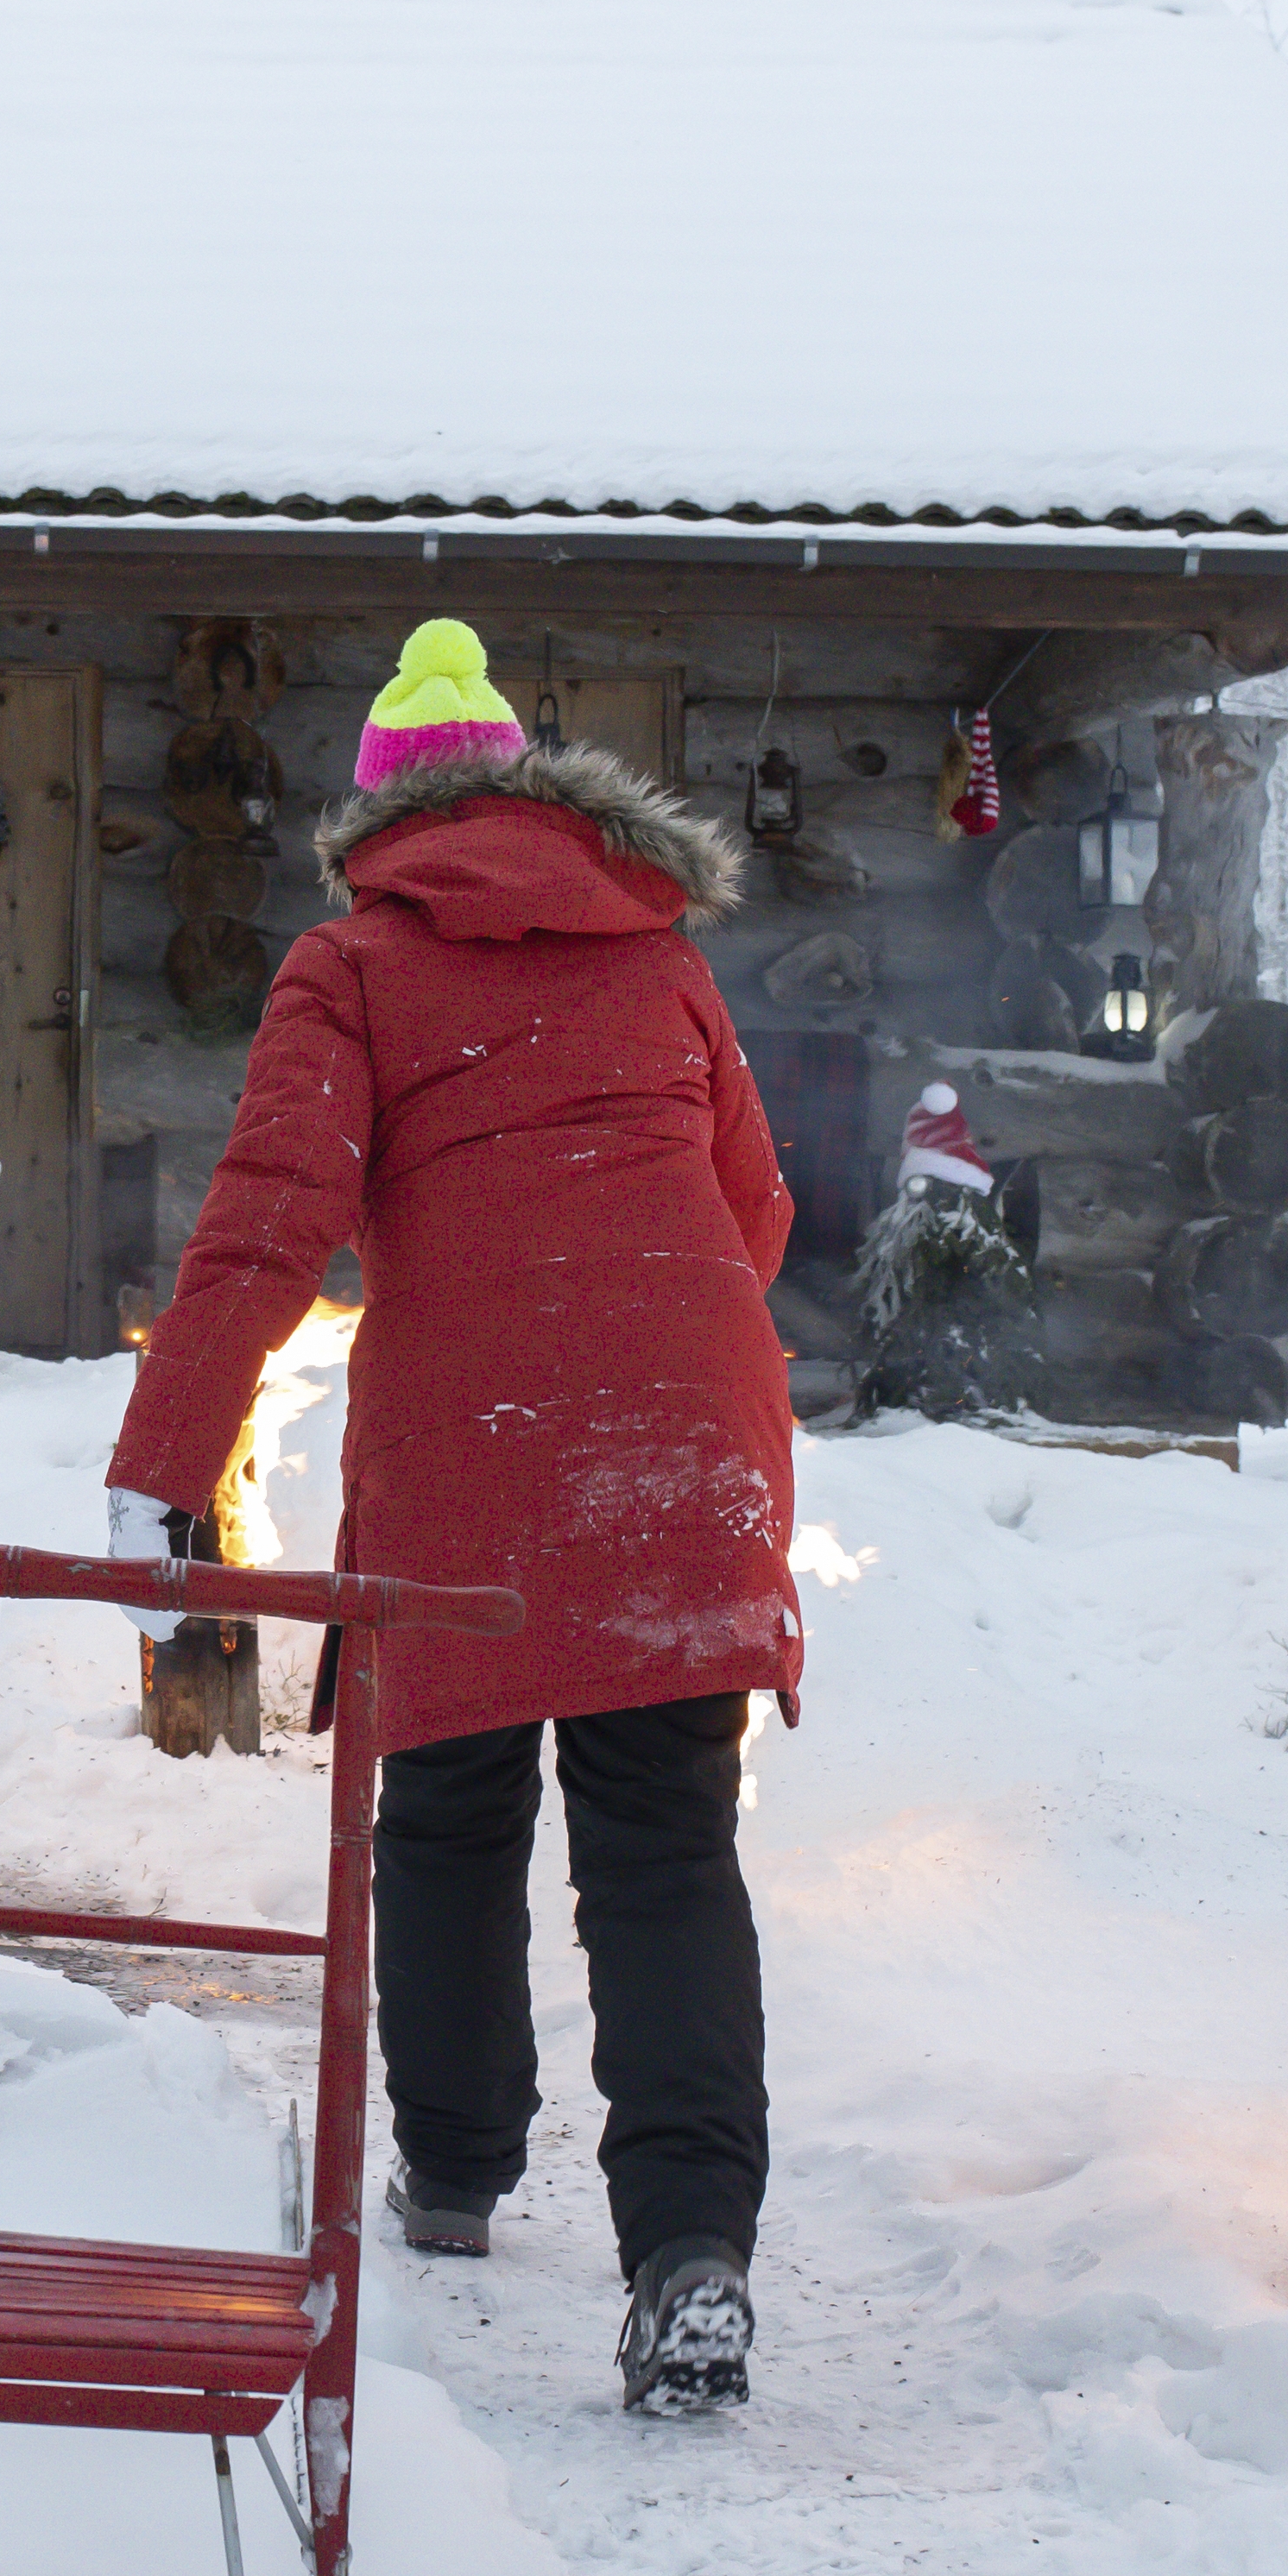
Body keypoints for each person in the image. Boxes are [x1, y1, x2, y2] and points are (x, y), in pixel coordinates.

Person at [104, 621, 800, 2414]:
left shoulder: (347, 963)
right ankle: (690, 2254)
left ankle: (461, 2168)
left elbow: (268, 1213)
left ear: (376, 824)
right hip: (683, 1438)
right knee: (661, 1840)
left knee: (450, 1803)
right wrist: (648, 1346)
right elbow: (753, 1200)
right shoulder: (660, 960)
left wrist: (166, 1451)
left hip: (471, 1438)